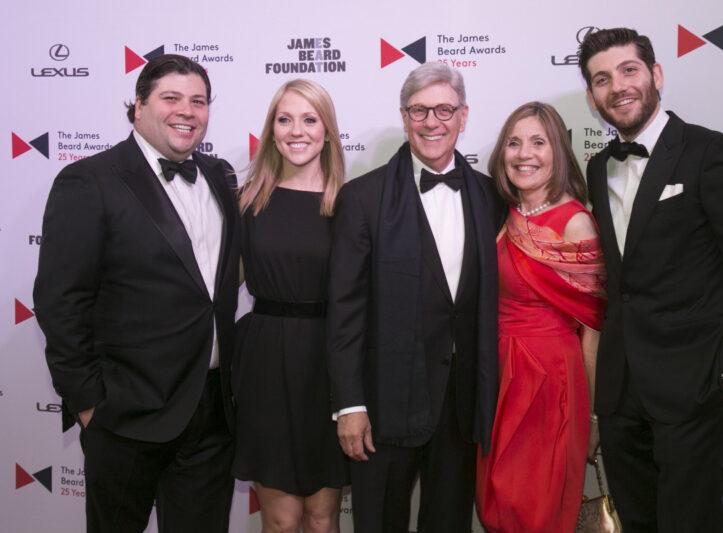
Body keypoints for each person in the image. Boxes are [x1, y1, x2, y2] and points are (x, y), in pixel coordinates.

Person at [578, 28, 723, 532]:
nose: (617, 87)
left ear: (656, 75)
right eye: (602, 79)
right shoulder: (598, 168)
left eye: (629, 70)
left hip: (695, 387)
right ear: (591, 96)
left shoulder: (712, 153)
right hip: (622, 392)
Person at [33, 54, 240, 532]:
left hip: (212, 414)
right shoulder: (89, 181)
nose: (186, 111)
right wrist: (90, 406)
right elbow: (60, 302)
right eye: (170, 98)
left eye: (198, 101)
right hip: (126, 414)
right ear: (138, 107)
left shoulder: (220, 176)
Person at [326, 62, 503, 532]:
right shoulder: (363, 198)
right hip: (382, 408)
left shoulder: (490, 197)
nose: (432, 122)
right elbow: (344, 311)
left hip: (459, 409)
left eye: (444, 109)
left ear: (463, 117)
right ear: (404, 118)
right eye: (419, 111)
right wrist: (349, 405)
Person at [475, 102, 607, 533]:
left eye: (538, 142)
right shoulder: (504, 214)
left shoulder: (575, 225)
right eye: (514, 142)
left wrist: (592, 416)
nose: (523, 153)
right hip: (497, 380)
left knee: (535, 510)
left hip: (550, 384)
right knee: (497, 507)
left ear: (559, 152)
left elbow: (592, 333)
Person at [232, 79, 347, 533]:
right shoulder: (247, 201)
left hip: (330, 364)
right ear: (271, 130)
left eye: (309, 119)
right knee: (281, 520)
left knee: (322, 518)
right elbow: (214, 289)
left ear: (327, 130)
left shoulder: (351, 203)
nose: (296, 131)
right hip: (265, 364)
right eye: (284, 119)